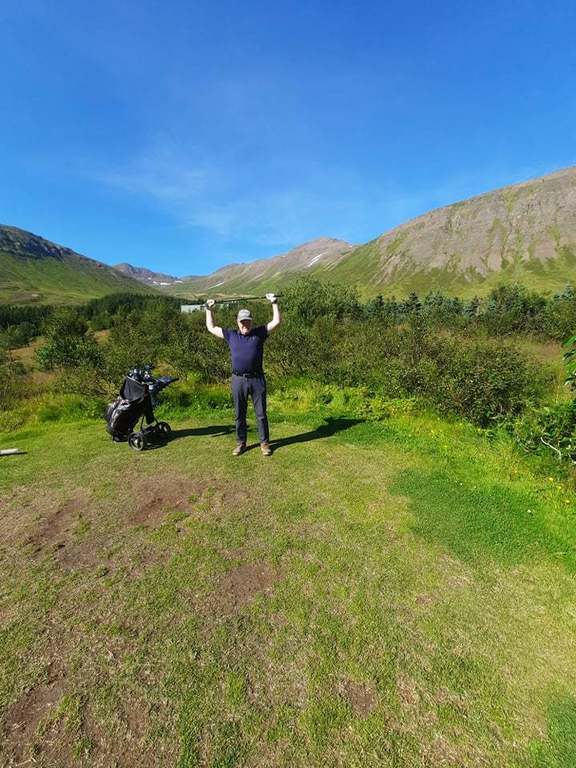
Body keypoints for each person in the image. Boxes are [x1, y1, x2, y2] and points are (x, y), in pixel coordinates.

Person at [205, 294, 281, 456]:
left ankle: (264, 443)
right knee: (239, 414)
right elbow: (211, 327)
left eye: (247, 321)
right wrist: (208, 309)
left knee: (261, 414)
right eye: (242, 321)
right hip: (238, 380)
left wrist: (274, 303)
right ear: (238, 323)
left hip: (257, 379)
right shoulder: (231, 335)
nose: (245, 324)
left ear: (251, 321)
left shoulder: (259, 333)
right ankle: (241, 443)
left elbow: (276, 322)